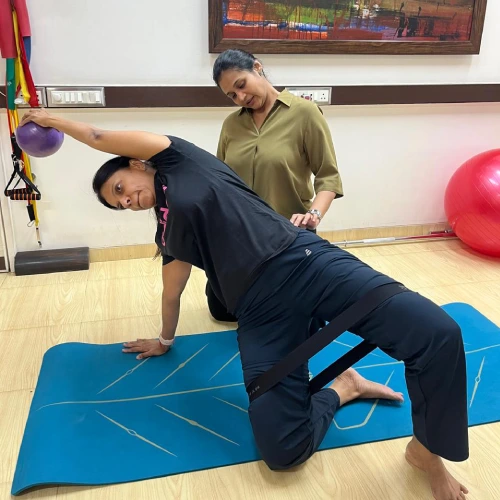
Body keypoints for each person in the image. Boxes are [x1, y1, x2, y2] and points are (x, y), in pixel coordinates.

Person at [20, 108, 469, 500]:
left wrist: (51, 120)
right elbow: (172, 291)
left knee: (437, 333)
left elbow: (98, 136)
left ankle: (426, 451)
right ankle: (344, 387)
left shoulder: (181, 159)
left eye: (121, 187)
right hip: (259, 310)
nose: (126, 201)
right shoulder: (167, 234)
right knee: (283, 451)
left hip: (304, 262)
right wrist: (164, 340)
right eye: (118, 204)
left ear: (138, 163)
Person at [206, 48, 343, 325]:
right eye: (232, 95)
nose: (240, 97)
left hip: (288, 234)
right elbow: (221, 180)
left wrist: (314, 214)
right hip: (241, 236)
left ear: (257, 68)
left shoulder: (305, 113)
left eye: (241, 85)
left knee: (296, 317)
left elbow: (328, 176)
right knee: (221, 310)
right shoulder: (231, 125)